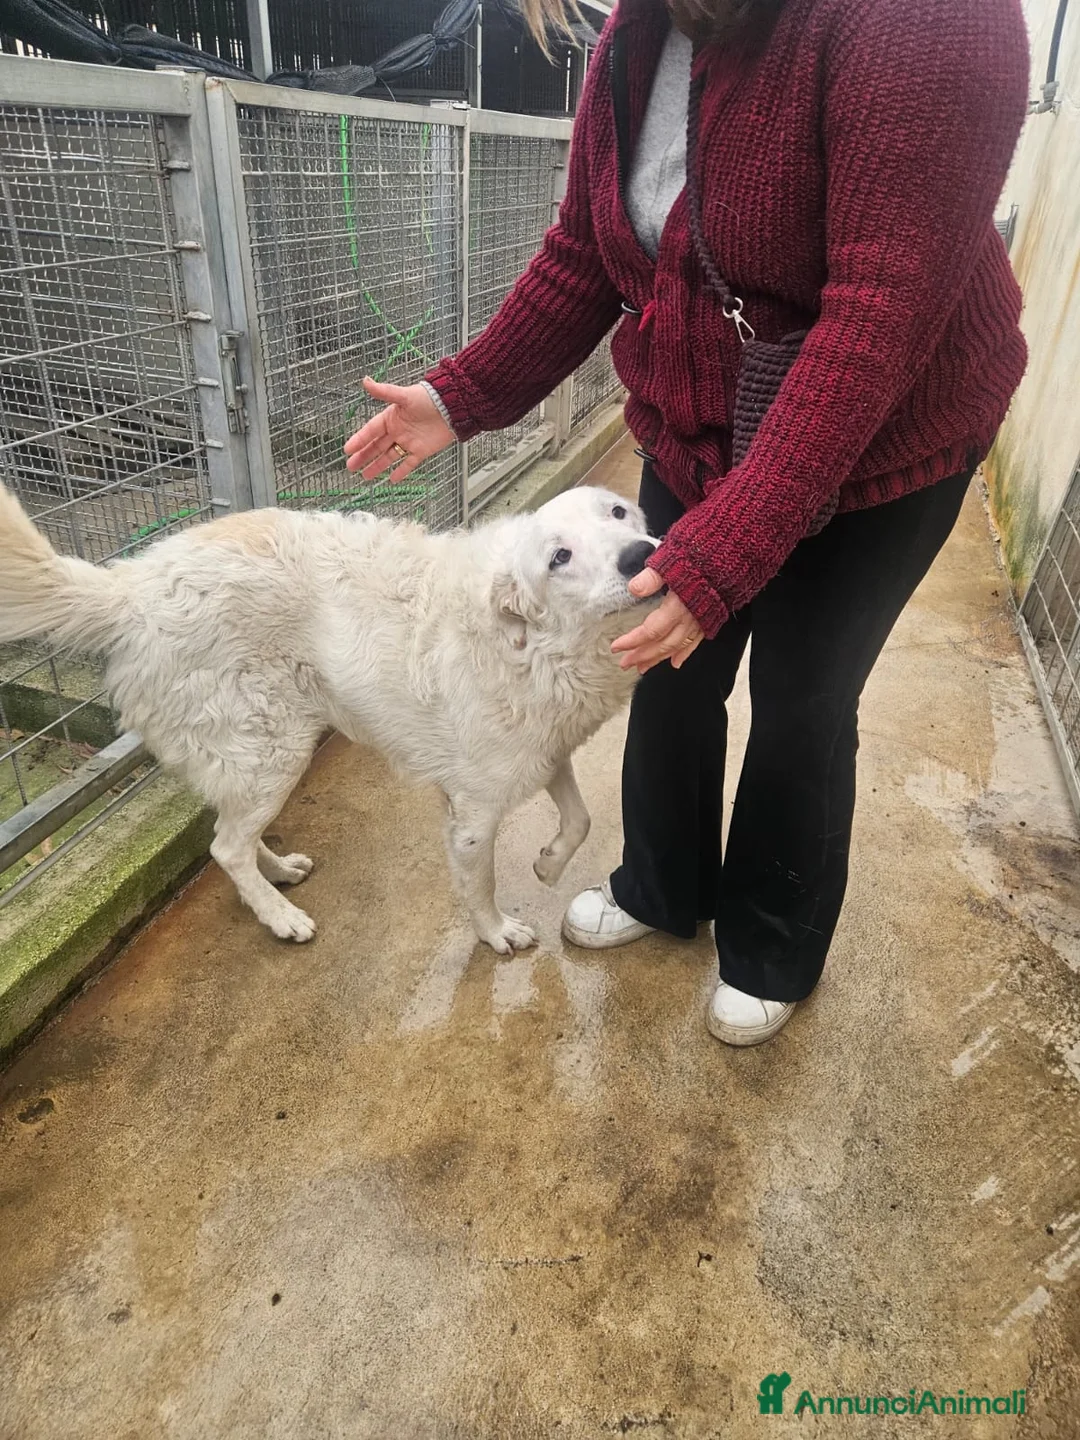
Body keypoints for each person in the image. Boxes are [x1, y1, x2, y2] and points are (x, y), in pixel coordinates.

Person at [343, 0, 1030, 1046]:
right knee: (659, 657)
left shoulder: (932, 16)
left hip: (888, 439)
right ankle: (662, 886)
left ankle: (769, 944)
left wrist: (724, 556)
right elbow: (587, 251)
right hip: (703, 419)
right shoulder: (641, 31)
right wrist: (463, 393)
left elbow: (878, 317)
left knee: (801, 695)